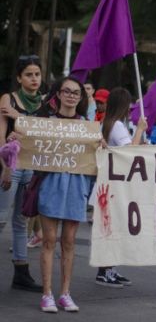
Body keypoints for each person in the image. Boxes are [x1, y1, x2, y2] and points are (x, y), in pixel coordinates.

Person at [37, 76, 95, 313]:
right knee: (49, 240)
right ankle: (47, 294)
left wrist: (99, 145)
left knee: (69, 241)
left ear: (81, 98)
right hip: (51, 184)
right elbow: (31, 149)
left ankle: (65, 293)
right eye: (67, 91)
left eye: (76, 92)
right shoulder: (45, 122)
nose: (71, 95)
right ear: (58, 94)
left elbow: (95, 157)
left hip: (76, 185)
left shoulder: (88, 126)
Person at [0, 55, 44, 293]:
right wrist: (5, 166)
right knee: (0, 219)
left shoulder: (45, 102)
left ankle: (21, 273)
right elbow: (0, 134)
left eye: (37, 74)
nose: (34, 79)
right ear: (19, 78)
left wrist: (21, 119)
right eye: (29, 74)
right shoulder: (9, 99)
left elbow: (42, 133)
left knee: (21, 221)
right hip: (11, 165)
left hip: (31, 166)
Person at [96, 87, 147, 288]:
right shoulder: (116, 125)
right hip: (115, 182)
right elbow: (128, 152)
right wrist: (140, 130)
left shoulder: (110, 123)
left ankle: (109, 269)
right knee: (112, 227)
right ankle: (105, 271)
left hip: (112, 180)